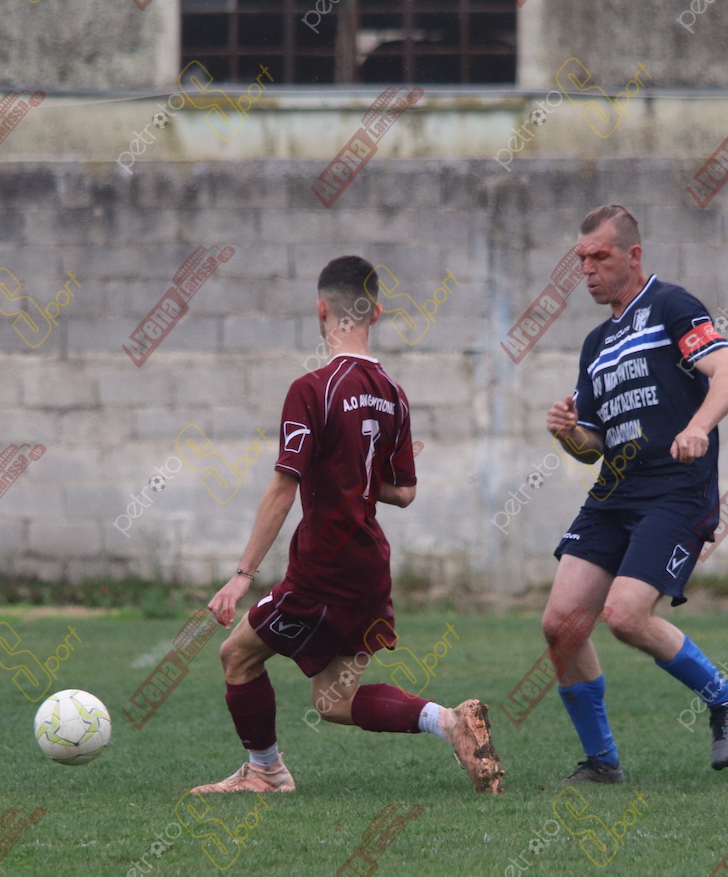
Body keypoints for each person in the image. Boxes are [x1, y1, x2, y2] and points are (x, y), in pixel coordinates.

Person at [196, 255, 504, 795]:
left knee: (236, 656)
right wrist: (352, 475)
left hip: (324, 568)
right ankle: (449, 720)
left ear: (322, 310)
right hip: (369, 567)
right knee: (333, 700)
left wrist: (242, 576)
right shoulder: (393, 394)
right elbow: (404, 492)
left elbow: (283, 487)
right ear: (375, 314)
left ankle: (266, 772)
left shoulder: (312, 388)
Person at [543, 205, 728, 783]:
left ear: (633, 255)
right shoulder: (596, 343)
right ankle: (602, 763)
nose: (587, 270)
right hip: (615, 491)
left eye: (600, 257)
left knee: (625, 615)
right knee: (561, 624)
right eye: (581, 259)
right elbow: (592, 447)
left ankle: (727, 699)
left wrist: (698, 427)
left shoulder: (671, 307)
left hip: (675, 491)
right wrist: (569, 432)